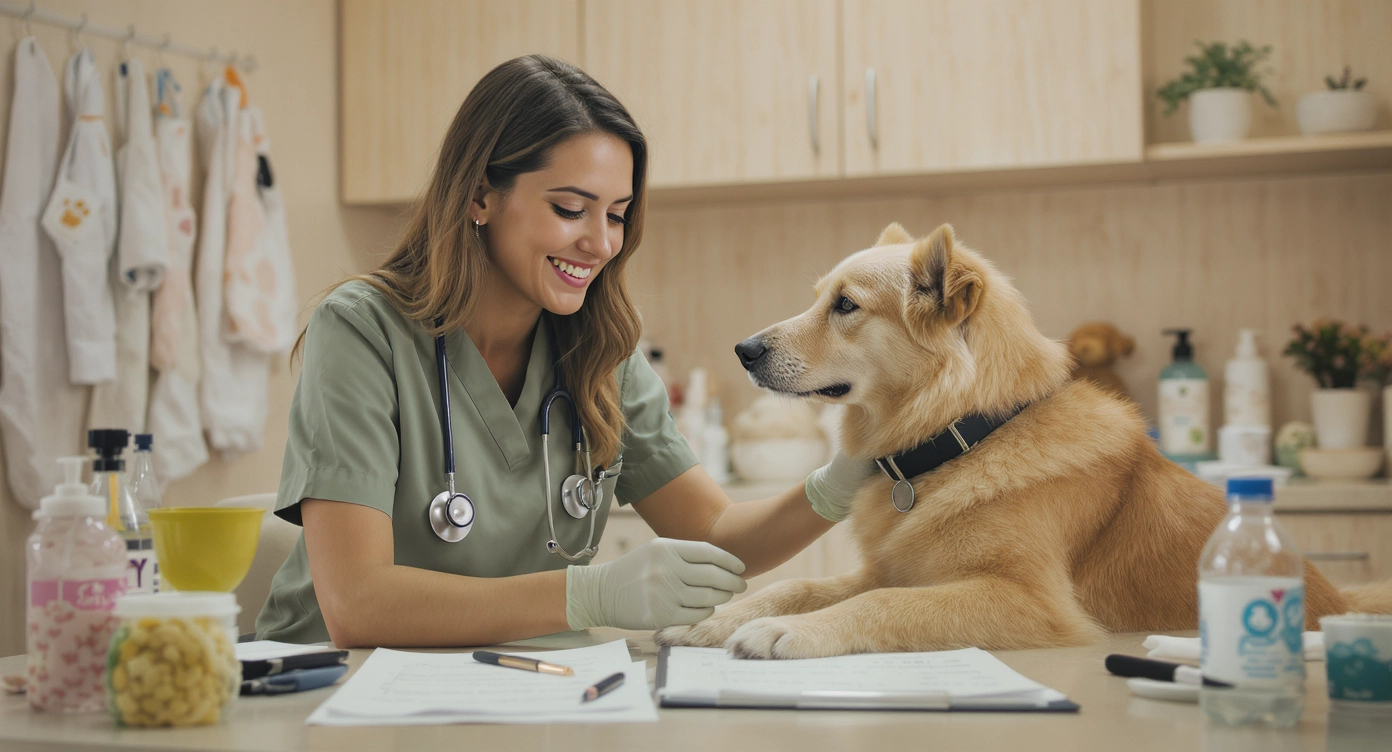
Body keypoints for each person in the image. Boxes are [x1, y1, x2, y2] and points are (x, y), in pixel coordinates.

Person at [255, 55, 872, 647]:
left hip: (525, 679)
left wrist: (839, 482)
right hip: (337, 685)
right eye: (570, 209)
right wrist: (587, 595)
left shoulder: (602, 354)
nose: (600, 243)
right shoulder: (364, 332)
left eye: (618, 215)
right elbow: (357, 604)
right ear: (479, 197)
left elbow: (714, 533)